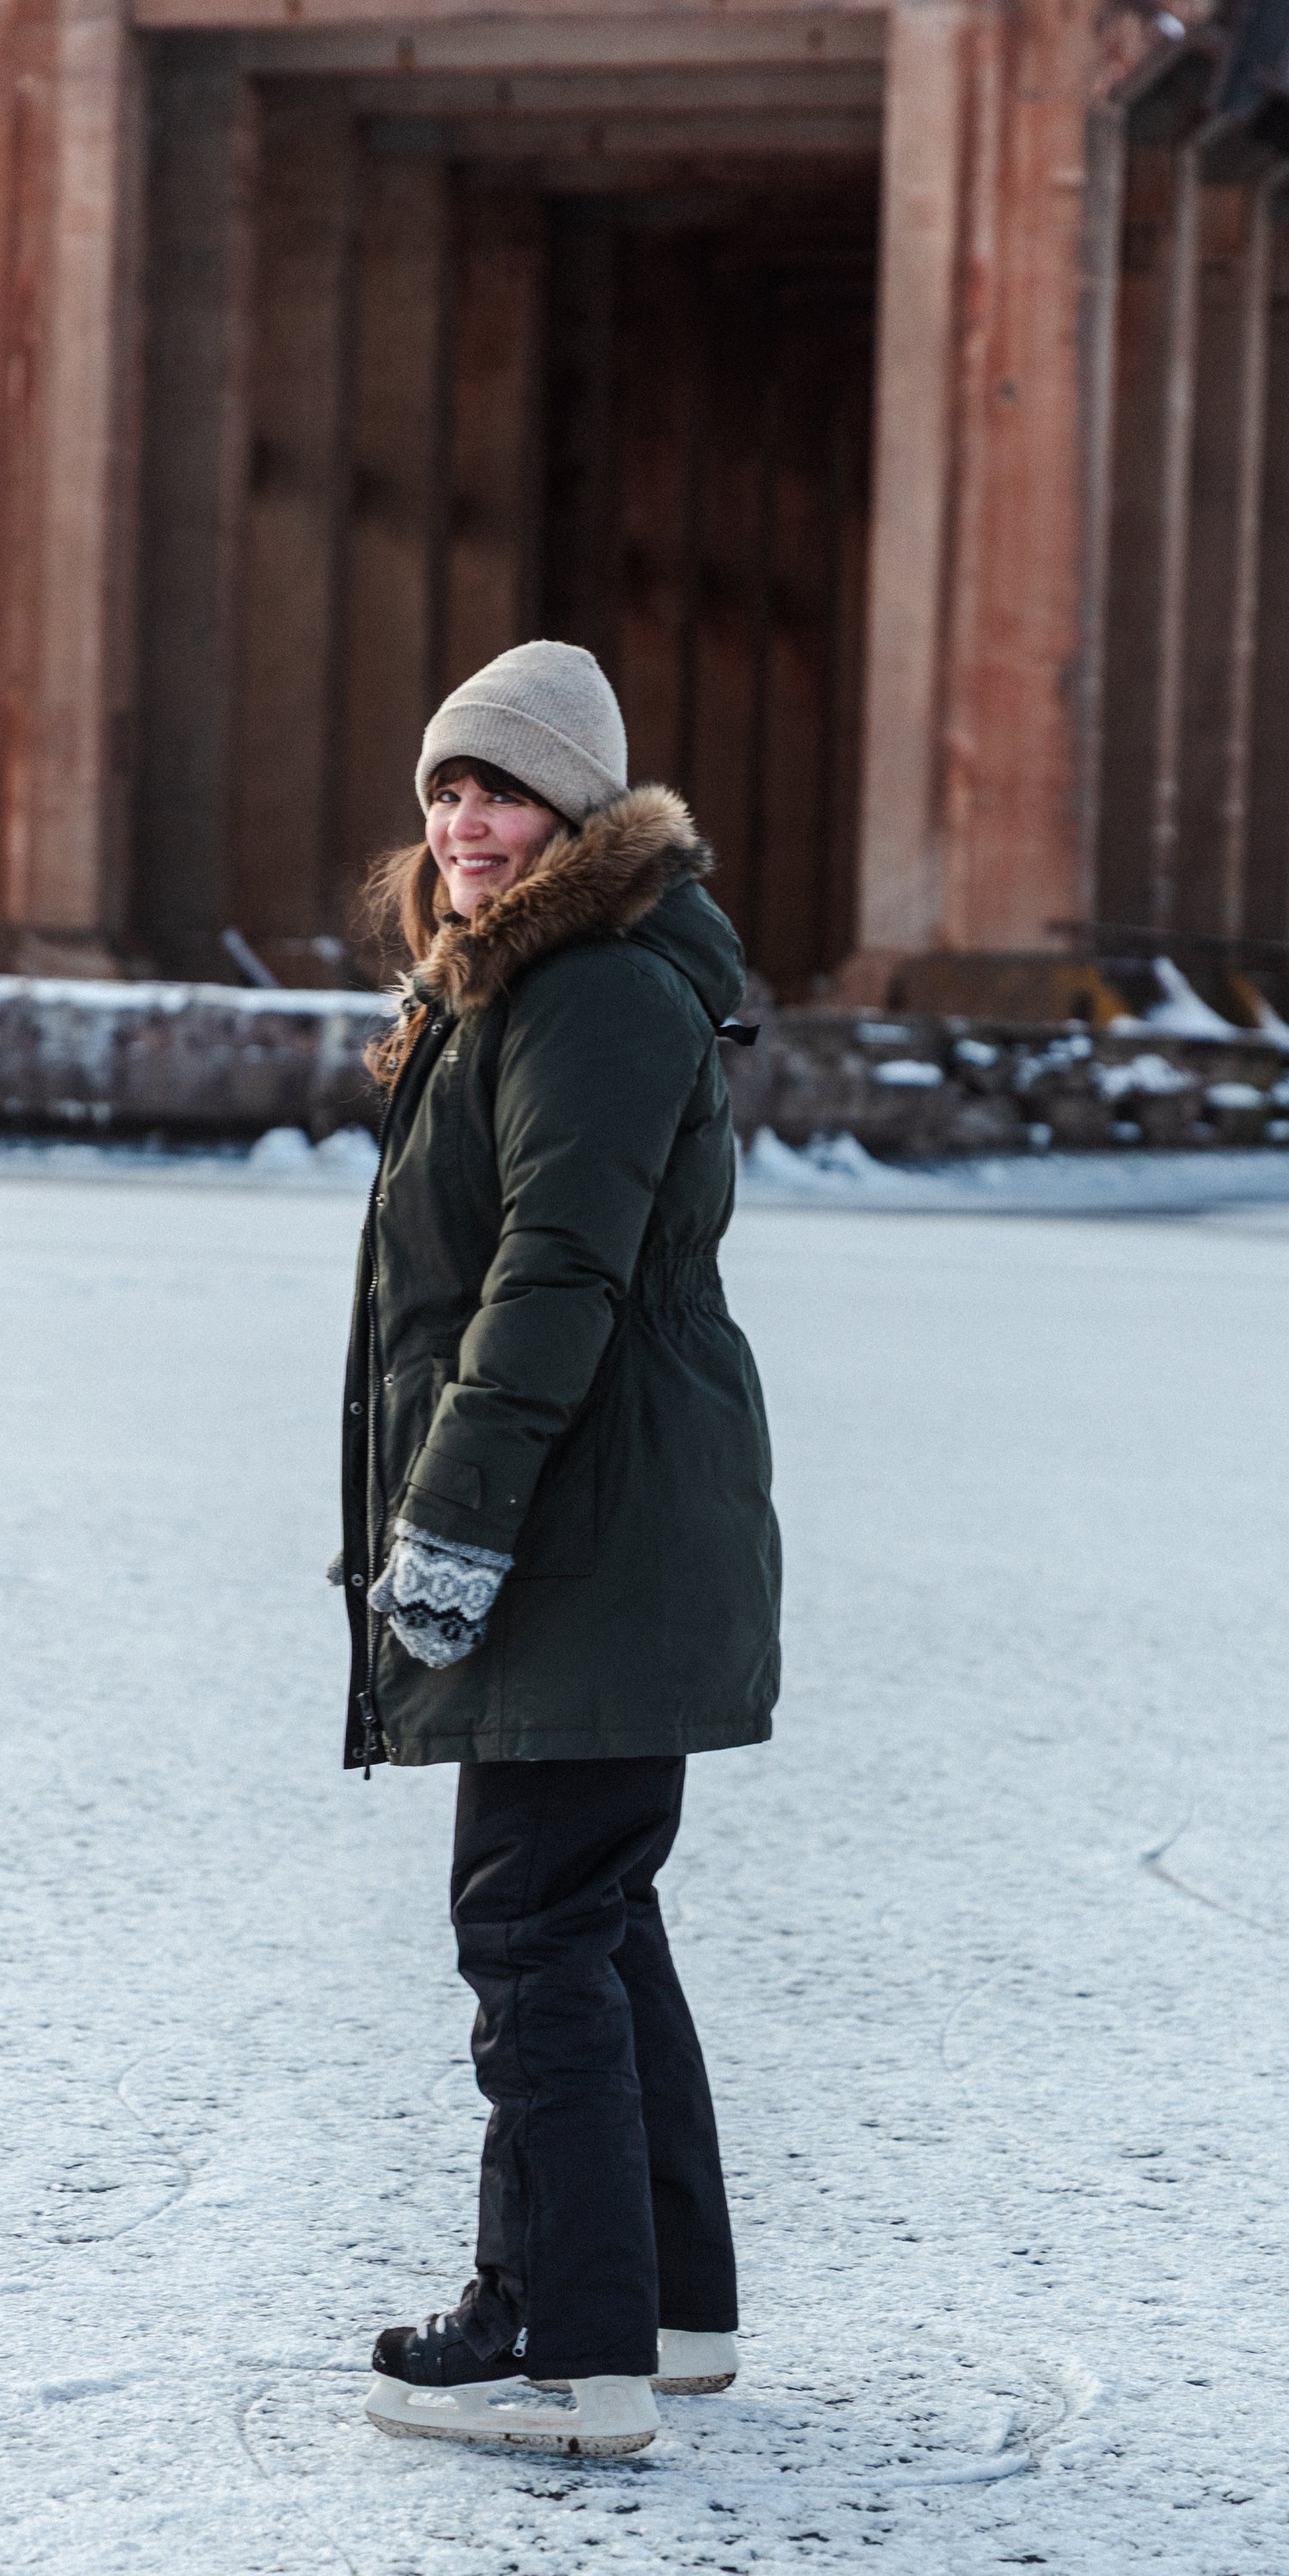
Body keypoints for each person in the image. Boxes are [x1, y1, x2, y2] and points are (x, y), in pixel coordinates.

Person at [337, 640, 781, 2462]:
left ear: (577, 816)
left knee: (529, 1924)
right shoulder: (529, 983)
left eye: (502, 790)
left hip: (577, 1531)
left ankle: (557, 2340)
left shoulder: (588, 988)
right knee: (593, 1915)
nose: (464, 821)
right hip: (607, 1521)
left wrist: (451, 1523)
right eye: (447, 787)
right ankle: (662, 2308)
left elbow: (552, 1279)